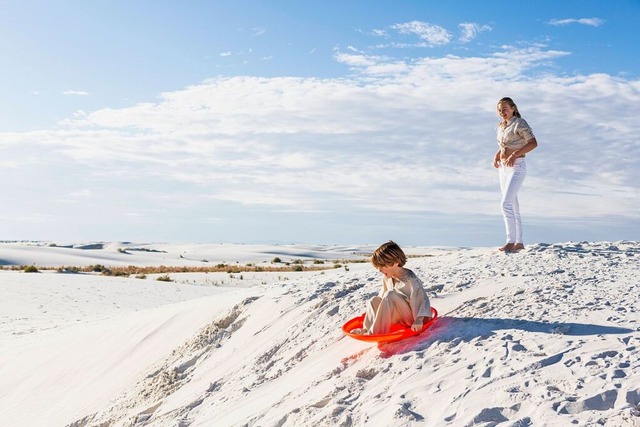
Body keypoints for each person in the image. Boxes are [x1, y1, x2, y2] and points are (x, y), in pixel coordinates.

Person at [350, 241, 431, 335]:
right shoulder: (387, 278)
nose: (379, 270)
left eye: (383, 266)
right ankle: (366, 329)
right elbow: (382, 300)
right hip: (398, 317)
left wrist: (419, 320)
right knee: (374, 300)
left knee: (390, 294)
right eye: (378, 266)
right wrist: (373, 311)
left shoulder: (411, 279)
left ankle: (374, 333)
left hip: (413, 319)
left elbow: (423, 300)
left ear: (396, 262)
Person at [493, 97, 538, 253]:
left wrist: (514, 155)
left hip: (517, 166)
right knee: (513, 205)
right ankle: (519, 242)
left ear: (513, 108)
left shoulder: (520, 123)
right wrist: (498, 154)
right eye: (499, 110)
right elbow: (505, 145)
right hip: (504, 168)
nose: (502, 112)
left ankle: (510, 241)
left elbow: (533, 143)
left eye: (505, 109)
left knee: (505, 204)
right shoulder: (501, 126)